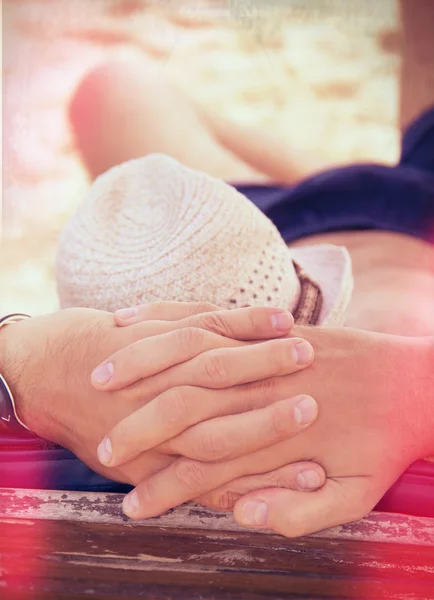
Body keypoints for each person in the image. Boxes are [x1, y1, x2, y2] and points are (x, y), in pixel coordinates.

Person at [1, 0, 433, 539]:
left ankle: (327, 178)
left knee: (109, 86)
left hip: (238, 236)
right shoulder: (386, 371)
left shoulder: (63, 441)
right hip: (278, 243)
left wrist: (23, 357)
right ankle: (336, 176)